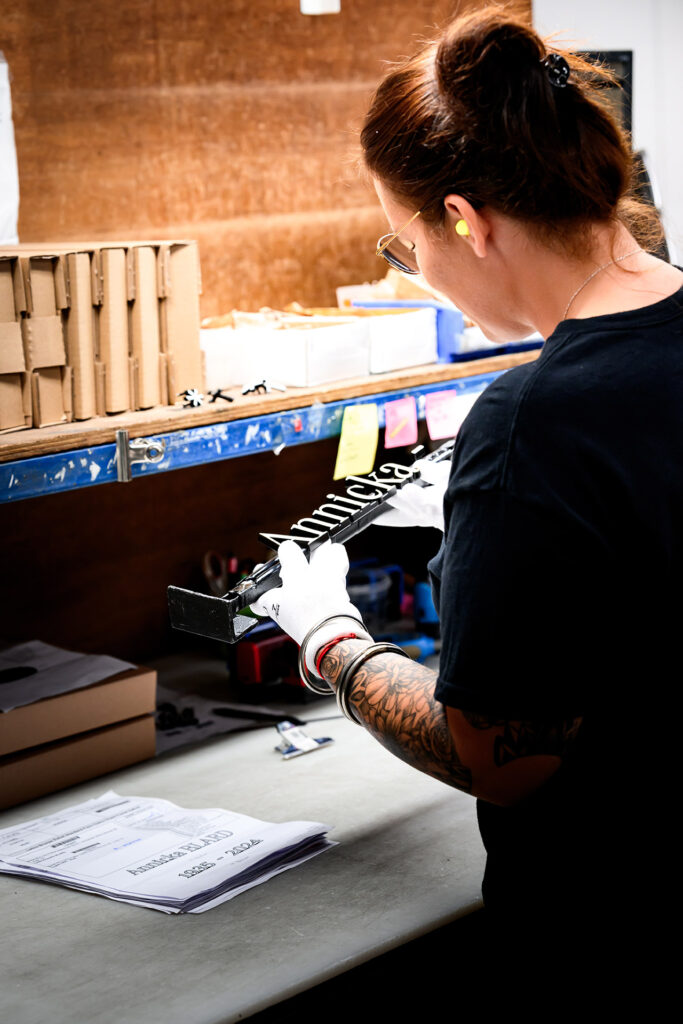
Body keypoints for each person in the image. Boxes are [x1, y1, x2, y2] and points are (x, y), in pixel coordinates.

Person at [254, 4, 682, 986]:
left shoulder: (530, 422)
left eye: (404, 249)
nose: (424, 277)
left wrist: (333, 645)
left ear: (463, 219)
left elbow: (503, 759)